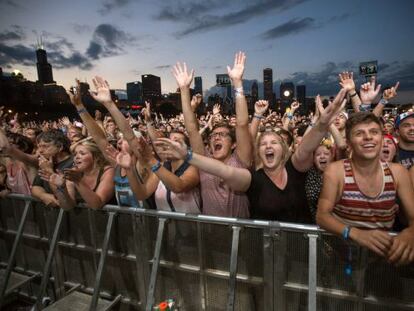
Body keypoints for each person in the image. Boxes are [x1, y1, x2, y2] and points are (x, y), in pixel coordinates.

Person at [154, 88, 347, 223]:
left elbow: (305, 147)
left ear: (284, 149)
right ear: (259, 152)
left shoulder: (251, 165)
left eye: (273, 142)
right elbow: (196, 133)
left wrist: (322, 123)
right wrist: (184, 90)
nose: (268, 146)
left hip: (286, 246)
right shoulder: (246, 176)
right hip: (215, 232)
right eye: (263, 143)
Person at [87, 77, 201, 213]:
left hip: (194, 231)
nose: (171, 143)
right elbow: (142, 194)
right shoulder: (162, 168)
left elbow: (179, 186)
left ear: (187, 148)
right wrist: (109, 104)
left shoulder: (192, 167)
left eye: (177, 140)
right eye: (169, 139)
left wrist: (151, 160)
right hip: (164, 231)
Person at [316, 112, 414, 265]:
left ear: (382, 139)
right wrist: (356, 233)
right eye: (359, 133)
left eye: (374, 132)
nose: (368, 137)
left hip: (382, 260)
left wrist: (410, 233)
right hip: (341, 257)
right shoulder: (336, 171)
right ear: (348, 143)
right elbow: (322, 216)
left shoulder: (398, 172)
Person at [171, 52, 253, 218]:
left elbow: (242, 124)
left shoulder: (240, 159)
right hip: (212, 233)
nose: (216, 137)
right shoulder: (204, 159)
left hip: (241, 233)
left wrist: (237, 83)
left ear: (234, 144)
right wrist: (184, 90)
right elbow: (192, 129)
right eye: (214, 135)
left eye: (222, 134)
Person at [48, 139, 115, 210]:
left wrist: (78, 181)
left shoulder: (108, 171)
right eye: (75, 154)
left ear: (95, 157)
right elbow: (68, 206)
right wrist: (61, 188)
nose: (77, 157)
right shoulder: (74, 172)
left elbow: (97, 205)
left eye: (82, 154)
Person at [31, 130, 73, 207]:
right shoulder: (46, 163)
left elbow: (64, 198)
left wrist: (49, 171)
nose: (40, 151)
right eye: (39, 147)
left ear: (60, 147)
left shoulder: (73, 164)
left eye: (45, 146)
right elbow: (35, 187)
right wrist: (43, 195)